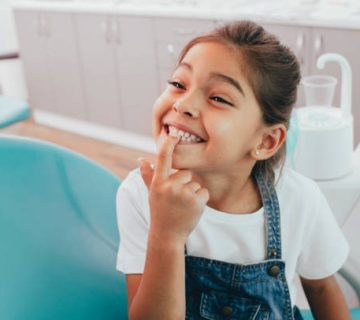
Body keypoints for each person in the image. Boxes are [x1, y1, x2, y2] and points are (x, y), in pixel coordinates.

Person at [116, 20, 350, 319]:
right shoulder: (139, 194)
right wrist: (167, 234)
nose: (183, 104)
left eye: (218, 98)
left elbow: (321, 289)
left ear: (266, 141)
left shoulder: (301, 199)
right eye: (178, 84)